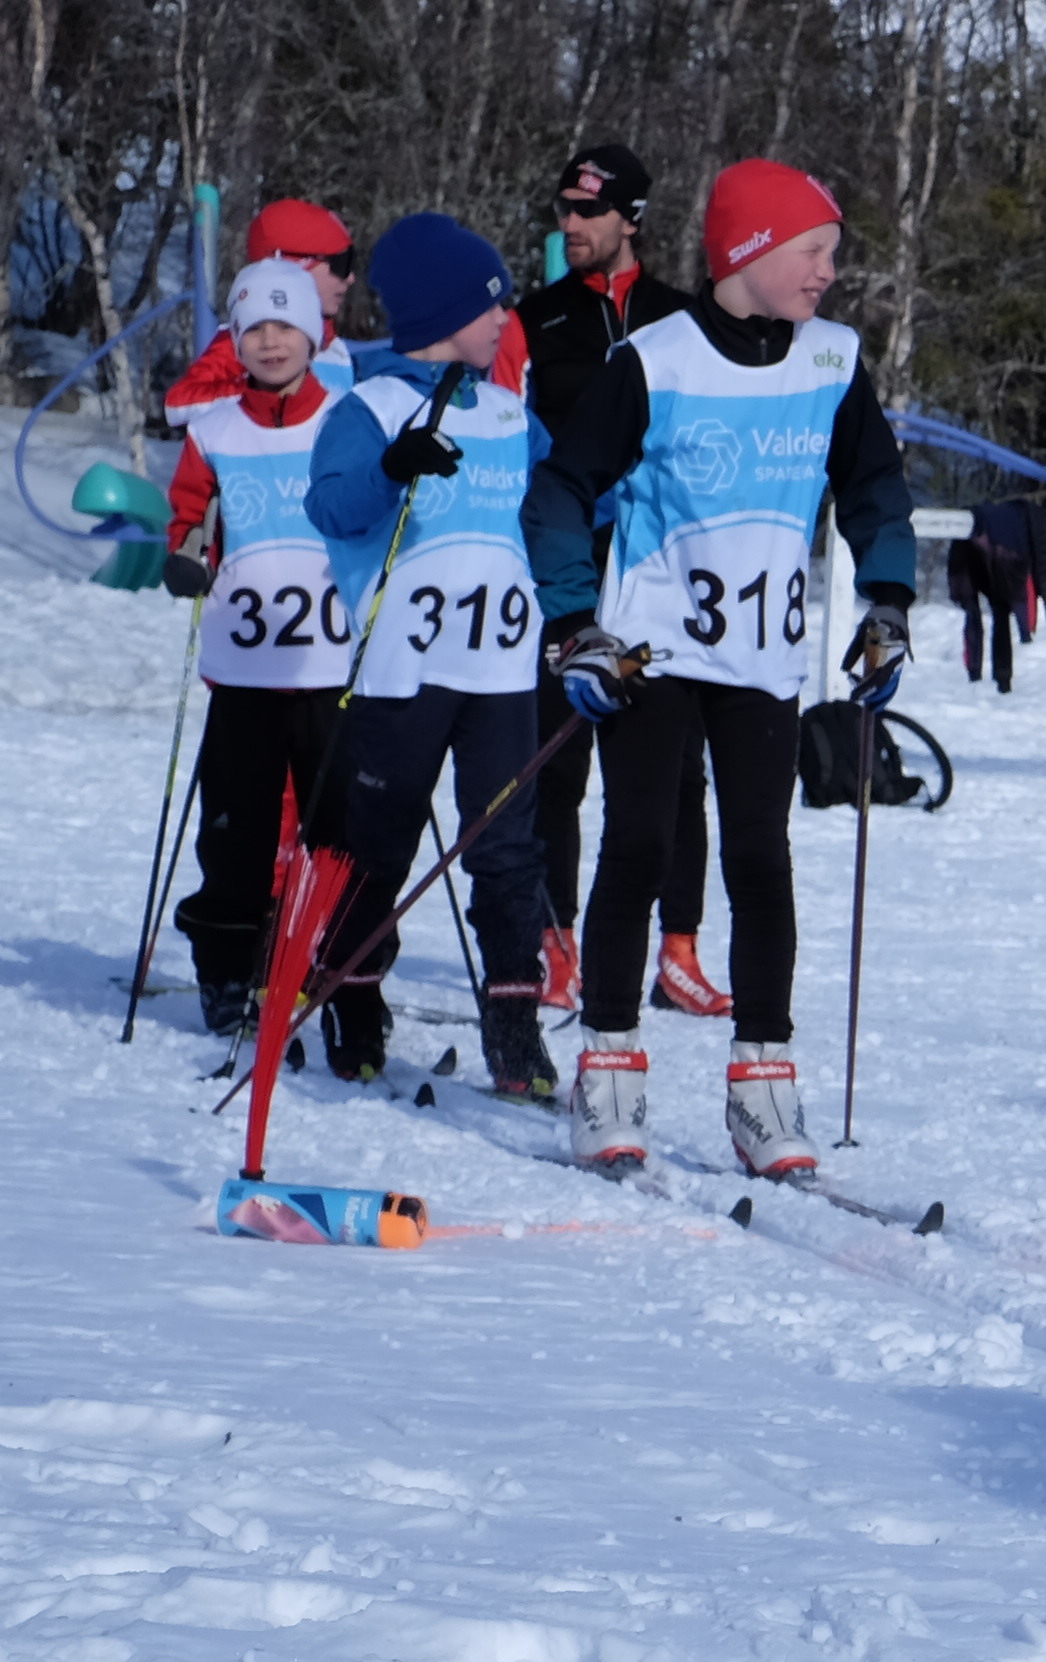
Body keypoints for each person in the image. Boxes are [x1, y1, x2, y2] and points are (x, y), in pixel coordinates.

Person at [524, 158, 922, 1179]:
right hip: (652, 652)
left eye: (832, 252)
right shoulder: (655, 361)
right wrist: (574, 625)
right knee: (641, 846)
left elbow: (873, 484)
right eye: (812, 251)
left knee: (760, 858)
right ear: (748, 251)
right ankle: (609, 1073)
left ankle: (762, 1087)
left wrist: (887, 601)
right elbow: (561, 489)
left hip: (761, 657)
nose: (828, 271)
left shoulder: (831, 360)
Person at [297, 215, 560, 1102]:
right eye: (493, 305)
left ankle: (515, 1026)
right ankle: (353, 999)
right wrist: (392, 467)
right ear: (447, 312)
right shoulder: (369, 407)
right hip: (403, 671)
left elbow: (559, 503)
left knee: (508, 849)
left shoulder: (509, 411)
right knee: (379, 841)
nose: (505, 319)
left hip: (502, 670)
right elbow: (332, 508)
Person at [516, 141, 716, 1021]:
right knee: (557, 763)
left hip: (662, 573)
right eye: (564, 208)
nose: (572, 224)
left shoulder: (681, 316)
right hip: (570, 569)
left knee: (677, 769)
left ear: (631, 219)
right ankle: (556, 945)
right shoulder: (536, 319)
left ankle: (680, 951)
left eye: (589, 210)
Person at [157, 258, 362, 1040]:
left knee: (340, 834)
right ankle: (227, 972)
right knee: (236, 834)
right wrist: (184, 556)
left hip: (332, 671)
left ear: (313, 335)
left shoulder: (346, 419)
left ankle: (338, 972)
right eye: (255, 329)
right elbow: (190, 518)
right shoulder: (214, 432)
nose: (271, 343)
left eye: (286, 326)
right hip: (244, 672)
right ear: (235, 339)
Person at [162, 199, 367, 418]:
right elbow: (179, 404)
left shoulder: (334, 347)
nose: (350, 278)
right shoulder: (247, 339)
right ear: (295, 264)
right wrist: (267, 388)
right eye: (340, 264)